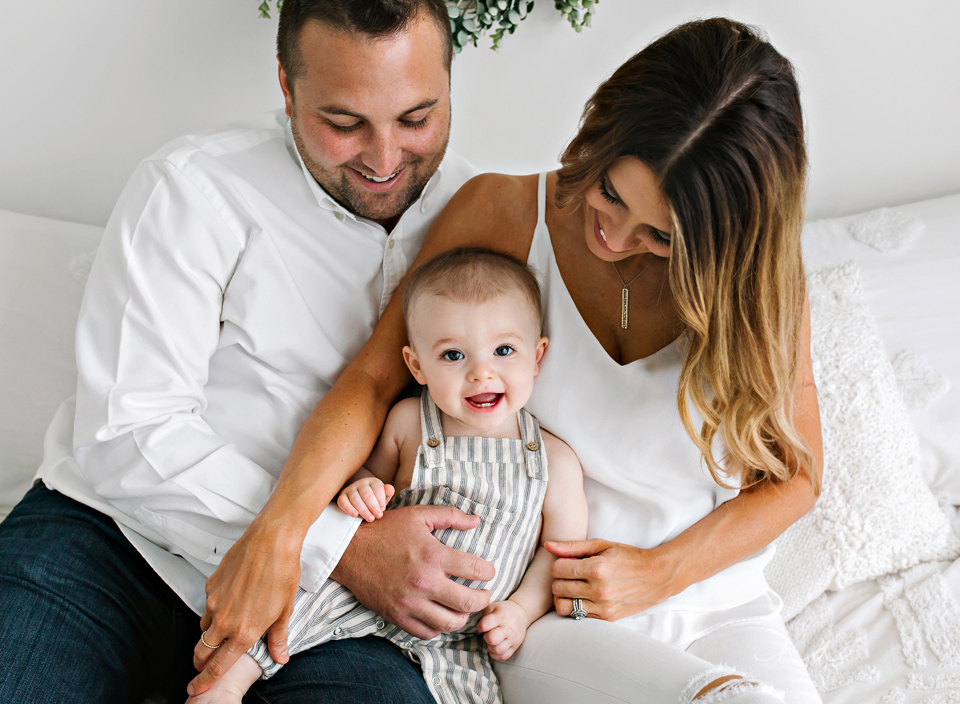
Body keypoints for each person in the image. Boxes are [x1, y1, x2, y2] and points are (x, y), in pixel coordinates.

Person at [223, 17, 826, 704]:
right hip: (550, 610)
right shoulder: (505, 212)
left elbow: (797, 475)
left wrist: (662, 571)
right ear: (601, 133)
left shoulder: (760, 286)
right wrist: (282, 532)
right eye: (610, 194)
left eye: (661, 236)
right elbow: (373, 380)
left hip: (720, 603)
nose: (614, 238)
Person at [0, 1, 497, 702]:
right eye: (344, 123)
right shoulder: (193, 187)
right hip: (112, 543)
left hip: (333, 612)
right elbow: (126, 430)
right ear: (287, 87)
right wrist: (336, 546)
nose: (385, 159)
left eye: (417, 118)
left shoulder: (484, 215)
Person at [189, 248, 587, 704]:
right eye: (453, 355)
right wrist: (360, 488)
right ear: (417, 366)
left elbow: (558, 555)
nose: (481, 372)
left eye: (503, 350)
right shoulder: (409, 423)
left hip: (461, 637)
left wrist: (520, 610)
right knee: (297, 605)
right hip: (364, 592)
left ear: (536, 356)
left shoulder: (554, 462)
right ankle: (223, 686)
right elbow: (365, 475)